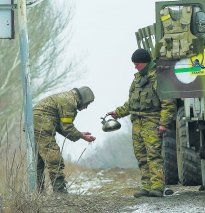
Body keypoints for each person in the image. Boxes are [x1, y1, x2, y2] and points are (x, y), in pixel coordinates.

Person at [108, 49, 176, 198]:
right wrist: (118, 113)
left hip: (151, 121)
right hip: (137, 123)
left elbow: (168, 103)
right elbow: (132, 102)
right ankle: (146, 187)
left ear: (145, 63)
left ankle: (157, 187)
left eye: (137, 64)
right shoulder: (138, 79)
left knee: (153, 155)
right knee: (141, 156)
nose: (135, 67)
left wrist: (163, 123)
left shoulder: (159, 78)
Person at [33, 86, 96, 194]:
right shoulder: (70, 102)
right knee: (53, 157)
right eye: (87, 104)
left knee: (38, 161)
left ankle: (38, 191)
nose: (86, 107)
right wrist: (82, 136)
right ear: (83, 99)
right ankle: (60, 191)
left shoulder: (67, 98)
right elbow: (67, 127)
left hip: (36, 122)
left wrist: (80, 134)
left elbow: (62, 126)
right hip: (42, 123)